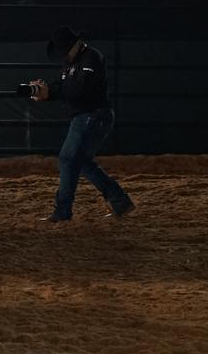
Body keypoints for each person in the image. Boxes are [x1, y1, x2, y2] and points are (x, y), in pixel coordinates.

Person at [26, 26, 134, 222]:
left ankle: (63, 211)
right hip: (93, 117)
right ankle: (120, 202)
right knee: (82, 163)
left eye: (65, 51)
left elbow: (76, 89)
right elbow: (65, 87)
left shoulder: (91, 58)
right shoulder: (76, 61)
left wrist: (48, 91)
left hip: (91, 116)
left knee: (68, 159)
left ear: (75, 45)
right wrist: (47, 91)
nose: (63, 56)